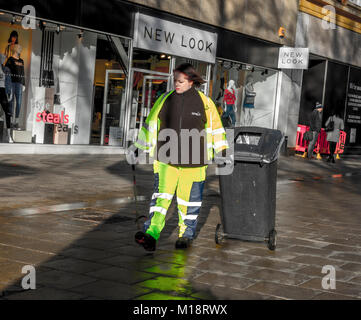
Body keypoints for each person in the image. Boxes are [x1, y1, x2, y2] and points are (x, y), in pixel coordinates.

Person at [128, 63, 228, 251]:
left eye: (181, 81)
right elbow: (150, 124)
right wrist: (139, 147)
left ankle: (185, 235)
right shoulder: (165, 99)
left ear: (191, 81)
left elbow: (216, 130)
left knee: (188, 202)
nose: (177, 84)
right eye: (175, 80)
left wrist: (222, 151)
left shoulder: (205, 103)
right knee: (160, 199)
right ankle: (150, 234)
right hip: (166, 160)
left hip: (194, 162)